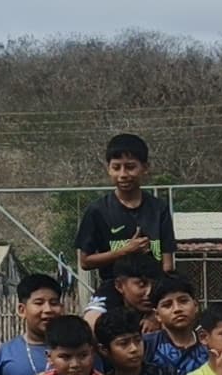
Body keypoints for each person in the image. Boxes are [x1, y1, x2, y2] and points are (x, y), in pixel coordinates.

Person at [75, 133, 178, 310]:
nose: (123, 174)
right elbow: (85, 261)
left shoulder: (159, 209)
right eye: (116, 167)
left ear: (145, 168)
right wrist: (124, 251)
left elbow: (167, 264)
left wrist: (158, 304)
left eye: (130, 167)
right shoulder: (97, 211)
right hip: (112, 290)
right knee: (93, 319)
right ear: (108, 169)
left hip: (154, 291)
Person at [0, 268, 68, 375]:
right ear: (22, 310)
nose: (48, 309)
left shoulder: (79, 350)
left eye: (54, 303)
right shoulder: (3, 354)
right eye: (39, 303)